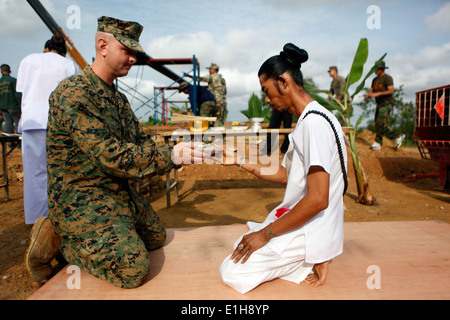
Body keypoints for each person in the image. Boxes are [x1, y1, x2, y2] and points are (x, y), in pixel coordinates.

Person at [25, 16, 203, 288]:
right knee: (133, 269)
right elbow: (109, 155)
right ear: (102, 46)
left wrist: (179, 151)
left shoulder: (117, 99)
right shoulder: (74, 93)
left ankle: (102, 234)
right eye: (127, 50)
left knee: (156, 237)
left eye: (135, 52)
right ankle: (62, 238)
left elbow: (141, 142)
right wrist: (170, 156)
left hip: (115, 191)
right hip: (82, 196)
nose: (133, 58)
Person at [215, 43, 347, 294]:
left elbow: (319, 199)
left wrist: (266, 234)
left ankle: (310, 258)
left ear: (283, 82)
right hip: (311, 222)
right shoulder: (313, 118)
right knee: (240, 245)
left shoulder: (313, 125)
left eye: (266, 90)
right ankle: (307, 254)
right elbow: (289, 176)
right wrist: (239, 160)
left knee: (232, 272)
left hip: (314, 227)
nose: (266, 99)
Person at [16, 35, 80, 225]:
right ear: (64, 52)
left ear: (45, 49)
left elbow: (22, 91)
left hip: (32, 121)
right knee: (63, 171)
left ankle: (37, 221)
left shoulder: (28, 60)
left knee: (34, 174)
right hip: (59, 123)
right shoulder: (69, 65)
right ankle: (61, 219)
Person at [365, 61, 405, 151]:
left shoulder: (387, 78)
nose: (375, 71)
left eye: (376, 69)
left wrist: (378, 94)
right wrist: (369, 95)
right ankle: (397, 136)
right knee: (378, 124)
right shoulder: (374, 80)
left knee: (380, 123)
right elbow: (371, 90)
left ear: (381, 69)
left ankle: (378, 142)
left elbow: (391, 91)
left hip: (387, 103)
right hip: (379, 104)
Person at [0, 64, 21, 134]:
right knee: (18, 124)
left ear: (1, 71)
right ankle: (18, 143)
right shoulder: (13, 81)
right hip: (13, 107)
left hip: (3, 108)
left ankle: (10, 143)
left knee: (8, 125)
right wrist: (20, 107)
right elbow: (18, 95)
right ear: (10, 71)